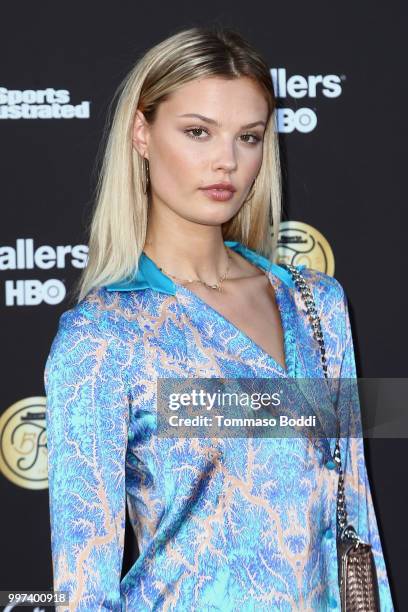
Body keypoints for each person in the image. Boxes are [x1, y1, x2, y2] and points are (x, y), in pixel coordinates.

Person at [44, 26, 394, 611]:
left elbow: (354, 519)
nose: (226, 161)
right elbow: (81, 582)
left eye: (248, 137)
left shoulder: (318, 304)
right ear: (142, 133)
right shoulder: (104, 337)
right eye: (198, 132)